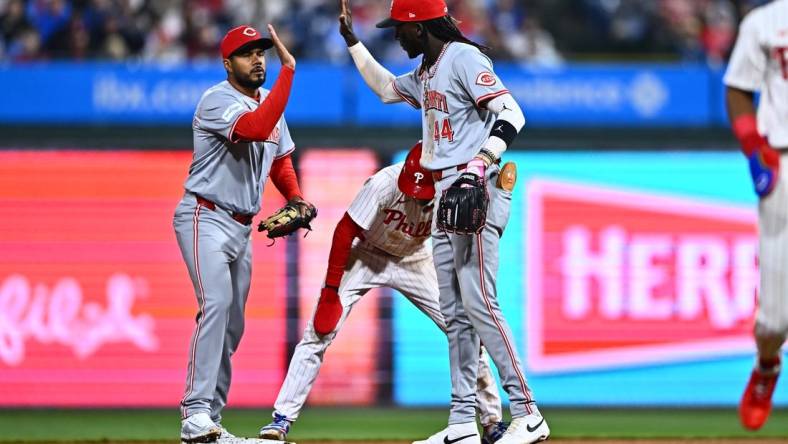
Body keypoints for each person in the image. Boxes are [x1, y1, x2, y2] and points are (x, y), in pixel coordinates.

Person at [338, 1, 549, 443]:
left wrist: (480, 162)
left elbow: (513, 113)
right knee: (454, 314)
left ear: (419, 26)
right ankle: (461, 424)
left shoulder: (463, 58)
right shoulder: (427, 71)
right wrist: (354, 44)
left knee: (480, 303)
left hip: (474, 188)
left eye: (400, 28)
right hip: (443, 193)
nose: (396, 35)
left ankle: (528, 412)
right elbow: (385, 89)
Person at [258, 142, 508, 444]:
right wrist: (331, 290)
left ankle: (492, 422)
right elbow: (345, 231)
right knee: (319, 332)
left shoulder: (451, 190)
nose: (414, 193)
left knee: (465, 330)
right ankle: (281, 420)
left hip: (414, 259)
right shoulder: (383, 184)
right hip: (366, 254)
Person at [173, 24, 315, 443]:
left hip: (241, 227)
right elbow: (254, 129)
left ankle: (209, 424)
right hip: (204, 216)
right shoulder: (218, 99)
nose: (257, 59)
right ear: (227, 63)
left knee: (232, 326)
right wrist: (288, 73)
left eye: (262, 52)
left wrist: (296, 197)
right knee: (215, 305)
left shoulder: (270, 108)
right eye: (246, 53)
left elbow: (280, 160)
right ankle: (194, 412)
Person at [723, 0, 787, 432]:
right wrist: (753, 149)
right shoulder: (766, 21)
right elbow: (738, 88)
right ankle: (767, 364)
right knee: (775, 319)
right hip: (783, 158)